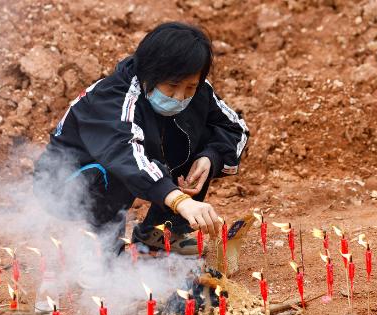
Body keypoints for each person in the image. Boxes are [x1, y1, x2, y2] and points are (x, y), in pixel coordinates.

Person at [34, 22, 249, 256]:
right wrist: (180, 201)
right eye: (172, 86)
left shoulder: (198, 90)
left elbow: (235, 128)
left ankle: (162, 232)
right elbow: (125, 155)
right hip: (68, 183)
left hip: (131, 164)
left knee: (199, 134)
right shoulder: (114, 98)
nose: (180, 97)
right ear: (150, 73)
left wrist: (210, 157)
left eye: (190, 87)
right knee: (116, 166)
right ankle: (98, 246)